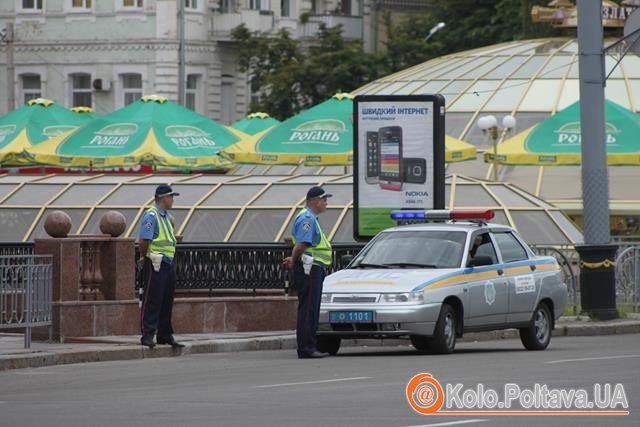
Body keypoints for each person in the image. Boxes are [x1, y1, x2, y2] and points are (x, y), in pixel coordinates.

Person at [283, 186, 333, 359]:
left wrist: (292, 258)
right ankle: (307, 348)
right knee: (309, 309)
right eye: (325, 200)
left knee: (310, 307)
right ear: (316, 201)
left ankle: (309, 345)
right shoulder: (307, 218)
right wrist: (294, 258)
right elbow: (303, 243)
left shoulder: (310, 217)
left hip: (310, 267)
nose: (327, 203)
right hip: (309, 268)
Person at [138, 184, 184, 349]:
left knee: (166, 300)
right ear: (164, 198)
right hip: (155, 262)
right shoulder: (151, 215)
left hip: (168, 263)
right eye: (171, 197)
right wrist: (144, 257)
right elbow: (143, 240)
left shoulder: (166, 216)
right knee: (153, 299)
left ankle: (164, 335)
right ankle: (148, 335)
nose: (173, 200)